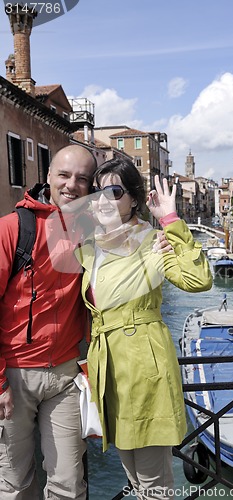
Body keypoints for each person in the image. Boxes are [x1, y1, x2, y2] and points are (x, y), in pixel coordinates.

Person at [76, 157, 213, 500]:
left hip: (144, 365)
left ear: (133, 199)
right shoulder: (90, 248)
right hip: (108, 369)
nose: (104, 200)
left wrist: (170, 220)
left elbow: (198, 279)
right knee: (135, 480)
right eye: (98, 192)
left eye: (115, 191)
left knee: (153, 486)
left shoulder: (152, 240)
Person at [0, 144, 98, 499]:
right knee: (15, 485)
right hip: (14, 375)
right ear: (48, 177)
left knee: (70, 484)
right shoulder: (12, 228)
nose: (72, 185)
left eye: (82, 179)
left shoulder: (89, 229)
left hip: (66, 374)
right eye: (64, 175)